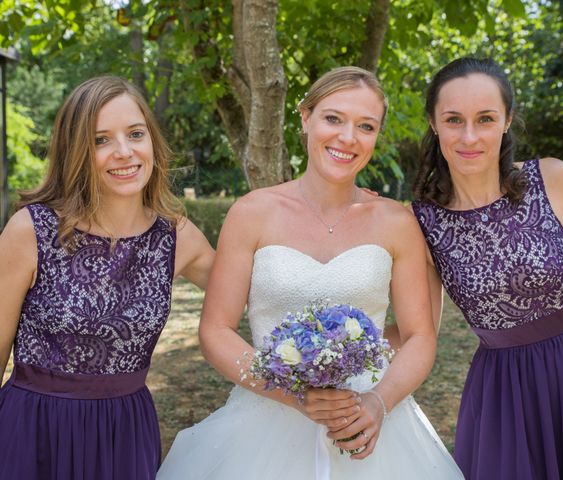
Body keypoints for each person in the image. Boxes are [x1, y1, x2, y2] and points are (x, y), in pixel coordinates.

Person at [157, 66, 463, 479]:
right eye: (333, 118)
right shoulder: (252, 213)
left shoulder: (395, 222)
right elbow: (215, 331)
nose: (347, 137)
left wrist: (378, 402)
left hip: (369, 423)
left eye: (366, 126)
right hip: (264, 420)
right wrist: (292, 395)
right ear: (305, 117)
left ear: (377, 136)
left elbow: (420, 336)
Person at [409, 57, 563, 479]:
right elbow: (420, 332)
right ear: (433, 123)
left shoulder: (552, 178)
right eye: (454, 120)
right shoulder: (422, 221)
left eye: (485, 118)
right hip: (506, 398)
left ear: (507, 121)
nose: (470, 136)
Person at [0, 76, 215, 480]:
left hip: (126, 434)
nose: (124, 152)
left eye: (135, 134)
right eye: (101, 140)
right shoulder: (30, 231)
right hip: (34, 431)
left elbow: (259, 292)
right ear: (75, 150)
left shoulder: (176, 236)